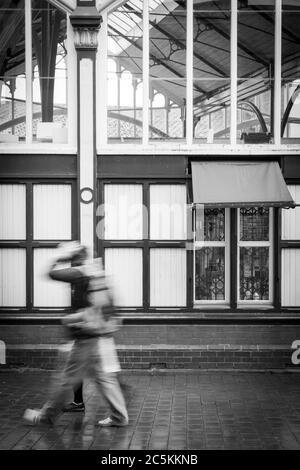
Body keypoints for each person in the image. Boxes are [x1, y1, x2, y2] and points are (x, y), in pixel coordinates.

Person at [23, 242, 128, 428]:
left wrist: (60, 257)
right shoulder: (95, 272)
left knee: (66, 378)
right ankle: (120, 417)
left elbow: (51, 273)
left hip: (86, 335)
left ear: (74, 258)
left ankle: (46, 416)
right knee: (105, 378)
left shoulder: (78, 272)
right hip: (101, 334)